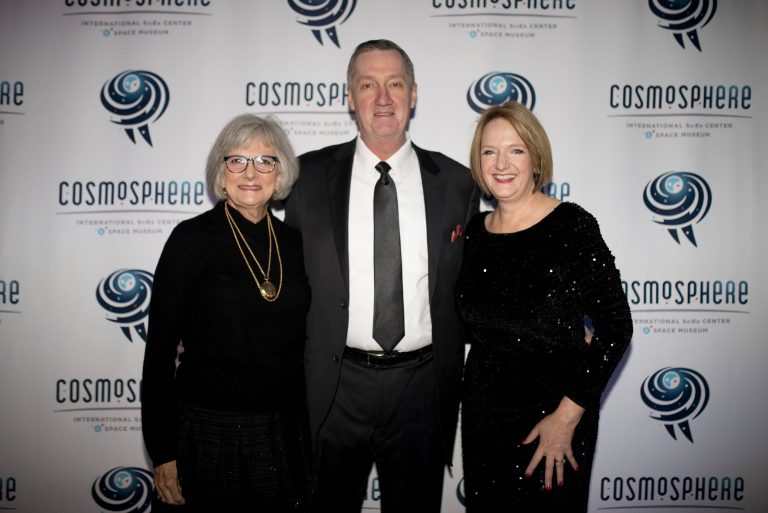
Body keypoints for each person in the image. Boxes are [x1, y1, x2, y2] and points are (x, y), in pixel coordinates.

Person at [284, 39, 478, 513]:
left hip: (423, 390)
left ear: (414, 94)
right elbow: (282, 278)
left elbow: (478, 284)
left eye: (395, 83)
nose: (383, 98)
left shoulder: (457, 182)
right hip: (333, 387)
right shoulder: (306, 177)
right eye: (368, 85)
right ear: (350, 97)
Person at [456, 101, 632, 512]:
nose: (501, 164)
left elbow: (615, 326)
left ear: (535, 158)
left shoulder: (571, 225)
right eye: (489, 151)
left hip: (555, 420)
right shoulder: (475, 234)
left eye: (515, 150)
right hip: (484, 421)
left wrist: (566, 417)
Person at [141, 114, 316, 512]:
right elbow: (159, 352)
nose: (250, 173)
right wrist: (162, 452)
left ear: (280, 173)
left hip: (283, 432)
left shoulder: (295, 244)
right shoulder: (189, 240)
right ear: (221, 173)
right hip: (207, 431)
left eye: (265, 161)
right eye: (237, 160)